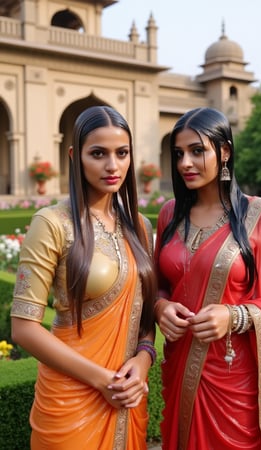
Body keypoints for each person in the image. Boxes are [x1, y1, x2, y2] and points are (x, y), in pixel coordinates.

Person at [11, 105, 157, 449]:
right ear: (75, 155)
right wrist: (103, 380)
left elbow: (144, 316)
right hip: (70, 401)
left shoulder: (140, 226)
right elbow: (24, 327)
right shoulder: (52, 223)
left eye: (122, 153)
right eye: (98, 154)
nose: (113, 166)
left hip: (127, 396)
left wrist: (144, 360)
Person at [154, 107, 261, 450]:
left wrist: (233, 316)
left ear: (225, 152)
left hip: (236, 380)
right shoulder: (169, 215)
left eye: (197, 150)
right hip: (181, 368)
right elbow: (159, 284)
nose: (185, 163)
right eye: (178, 154)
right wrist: (160, 307)